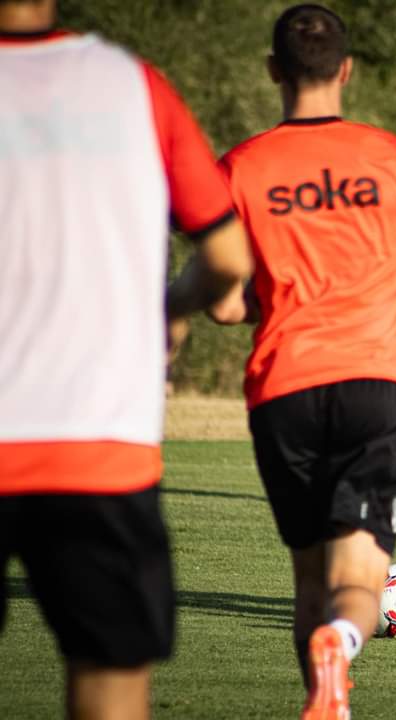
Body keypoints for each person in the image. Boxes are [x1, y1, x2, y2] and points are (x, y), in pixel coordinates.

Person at [209, 5, 396, 718]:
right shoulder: (393, 158)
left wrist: (284, 299)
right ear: (347, 69)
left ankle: (324, 698)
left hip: (283, 387)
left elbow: (224, 305)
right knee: (359, 577)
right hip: (373, 381)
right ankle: (343, 645)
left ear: (274, 71)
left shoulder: (240, 165)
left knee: (309, 578)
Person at [0, 0, 252, 717]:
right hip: (97, 443)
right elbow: (228, 254)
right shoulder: (130, 84)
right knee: (109, 687)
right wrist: (168, 310)